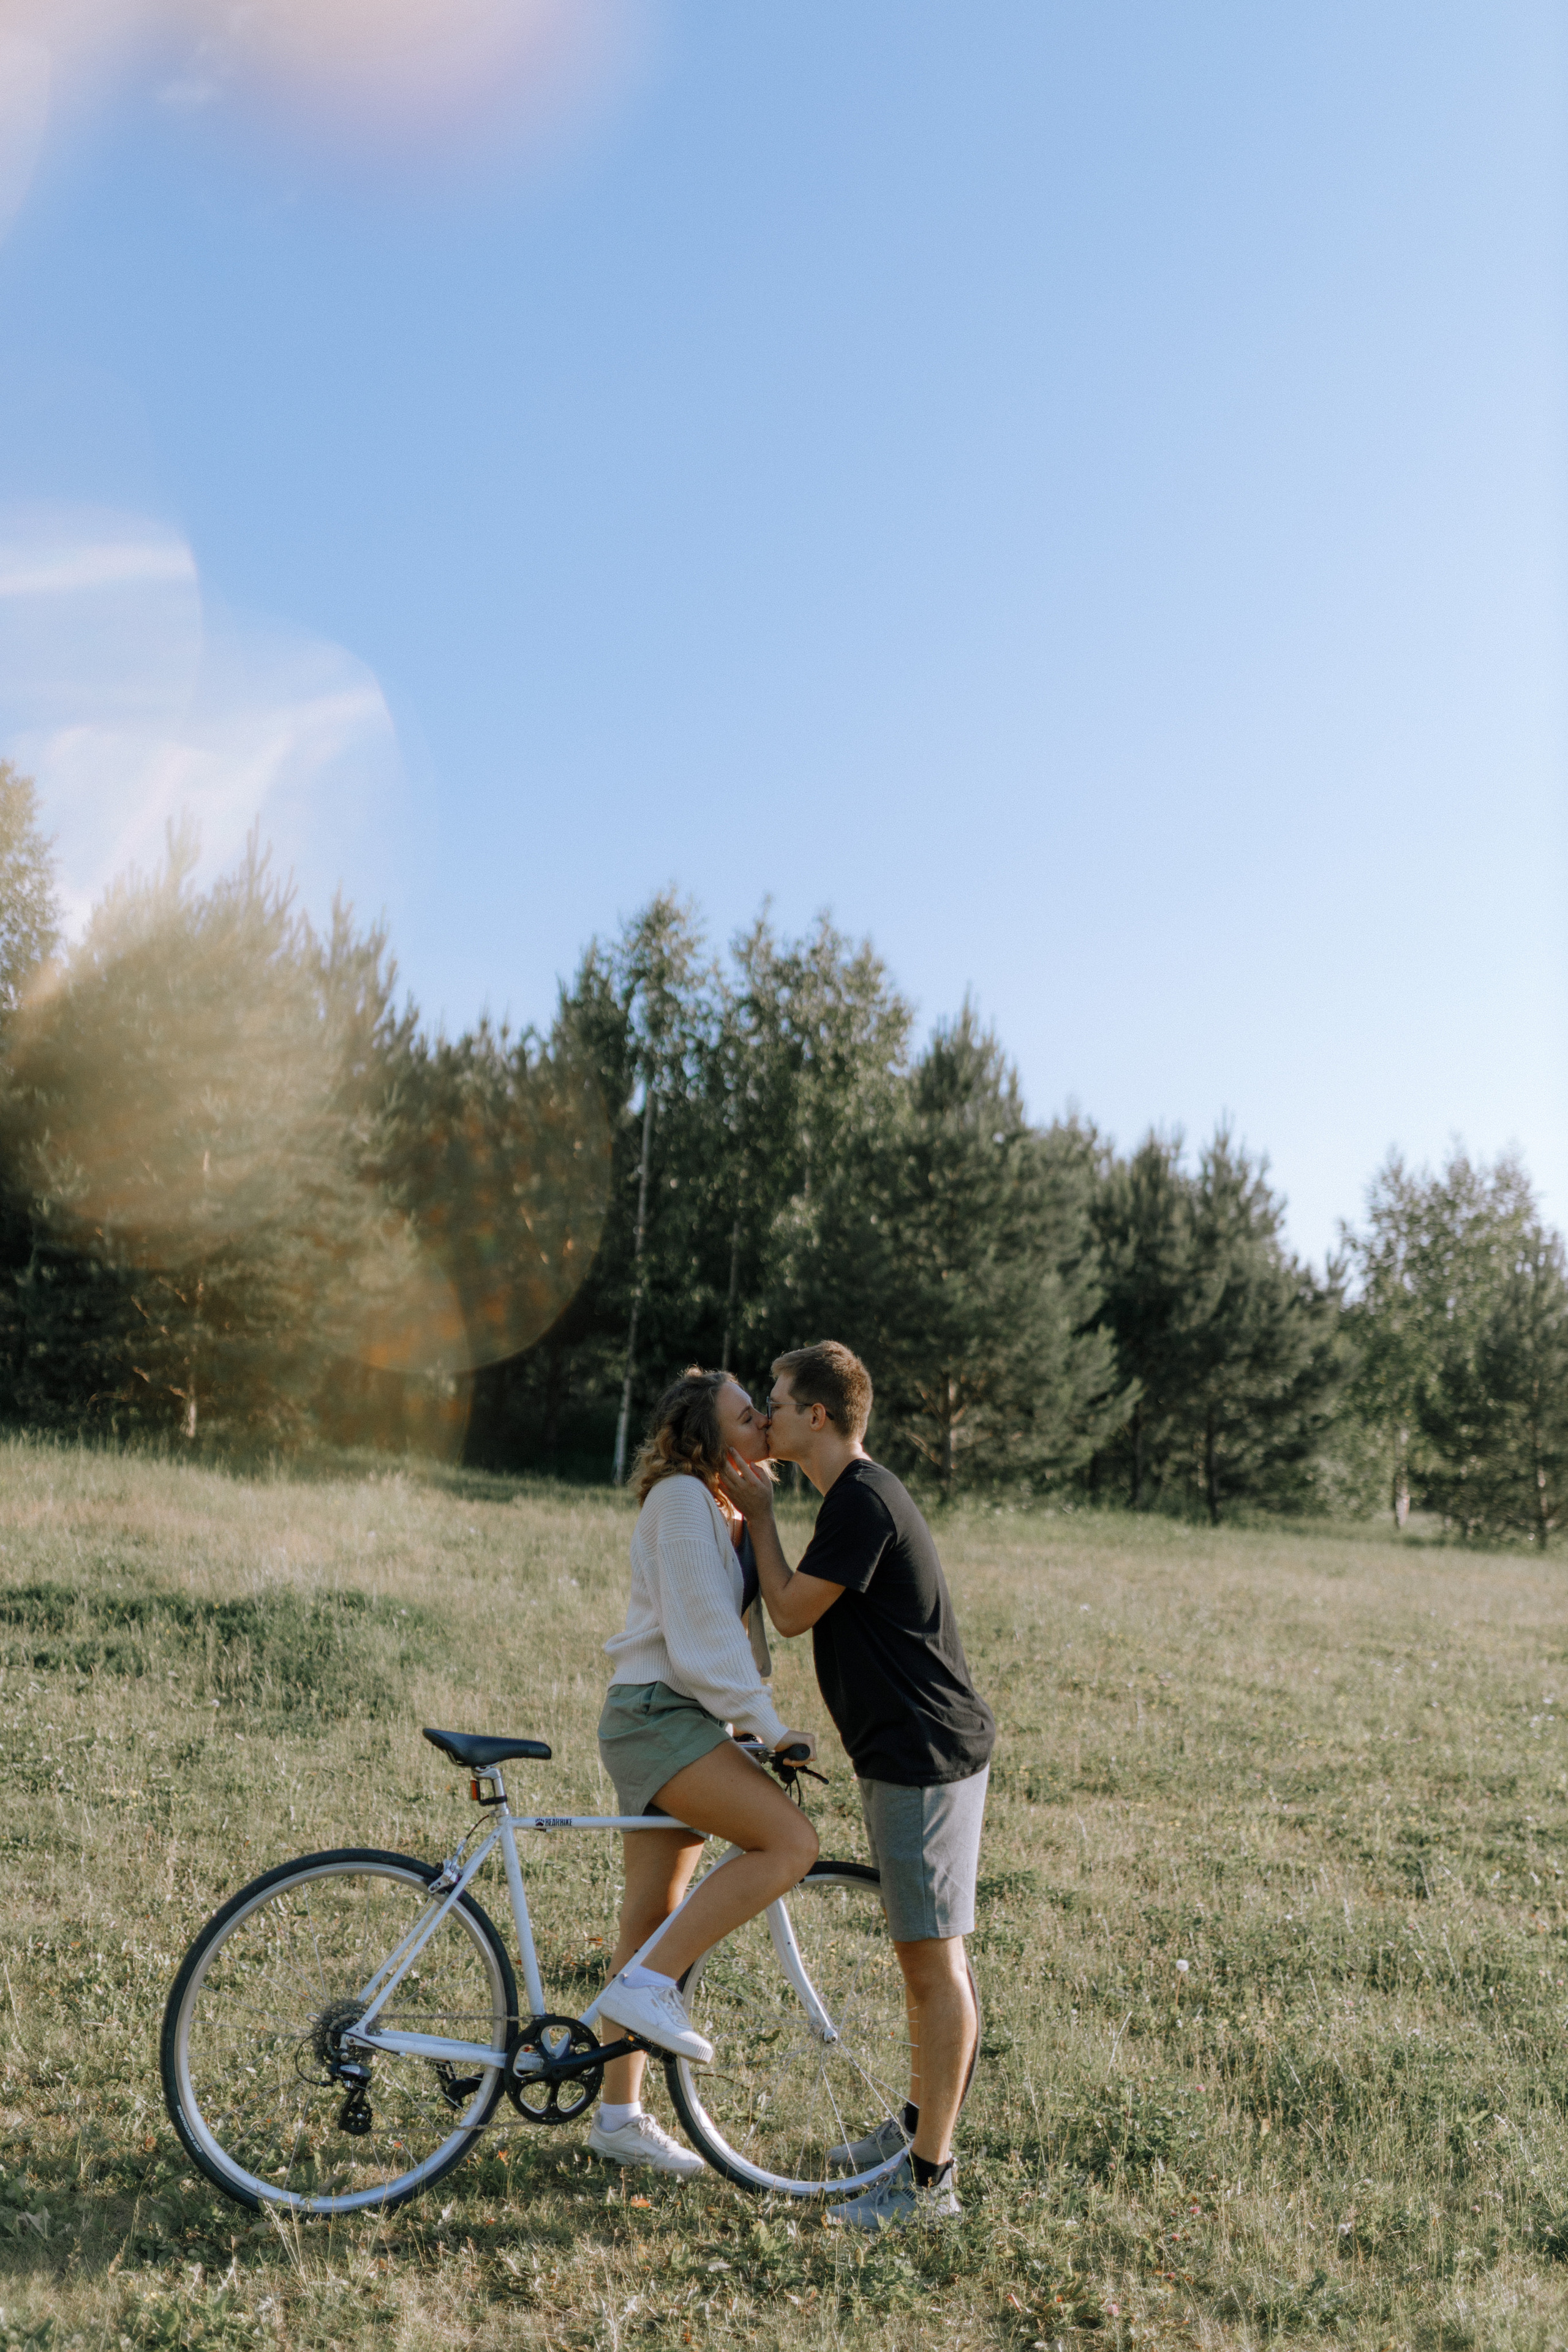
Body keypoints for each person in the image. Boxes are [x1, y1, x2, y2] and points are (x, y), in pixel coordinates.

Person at [722, 1340, 995, 2228]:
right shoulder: (853, 1498)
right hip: (903, 1752)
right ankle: (918, 2127)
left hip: (922, 1756)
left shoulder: (862, 1500)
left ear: (819, 1416)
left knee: (932, 1964)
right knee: (925, 1957)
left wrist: (760, 1517)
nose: (765, 1410)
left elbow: (794, 1614)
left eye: (778, 1398)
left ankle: (929, 2183)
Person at [587, 1365, 820, 2179]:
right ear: (706, 1435)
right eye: (747, 1414)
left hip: (674, 1719)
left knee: (652, 1915)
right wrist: (769, 1725)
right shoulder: (683, 1499)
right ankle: (651, 1987)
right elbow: (696, 1641)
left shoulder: (718, 1510)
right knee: (790, 1843)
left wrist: (748, 1726)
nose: (763, 1421)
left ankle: (618, 2117)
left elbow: (742, 1640)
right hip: (658, 1718)